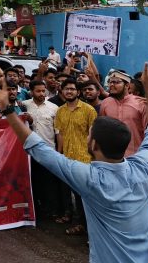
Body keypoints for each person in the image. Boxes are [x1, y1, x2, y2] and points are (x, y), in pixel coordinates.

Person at [0, 64, 148, 263]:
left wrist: (8, 111)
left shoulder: (89, 179)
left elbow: (38, 149)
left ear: (93, 144)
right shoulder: (145, 167)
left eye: (89, 134)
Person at [54, 77, 97, 235]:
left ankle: (89, 228)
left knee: (85, 196)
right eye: (67, 89)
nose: (69, 91)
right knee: (72, 193)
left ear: (78, 92)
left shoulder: (89, 110)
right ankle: (78, 223)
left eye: (72, 89)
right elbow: (60, 134)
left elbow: (93, 135)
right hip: (67, 159)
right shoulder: (60, 111)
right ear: (62, 91)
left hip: (85, 159)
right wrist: (59, 155)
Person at [22, 79, 61, 219]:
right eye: (38, 91)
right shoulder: (24, 106)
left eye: (43, 91)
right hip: (29, 152)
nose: (41, 93)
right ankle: (36, 210)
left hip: (48, 150)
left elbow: (58, 132)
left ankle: (51, 210)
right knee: (33, 181)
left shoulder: (54, 108)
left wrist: (58, 151)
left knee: (49, 182)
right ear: (31, 92)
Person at [100, 69, 148, 156]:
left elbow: (147, 131)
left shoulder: (140, 103)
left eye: (116, 82)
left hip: (135, 155)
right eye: (110, 82)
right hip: (111, 156)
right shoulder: (105, 103)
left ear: (127, 85)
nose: (111, 85)